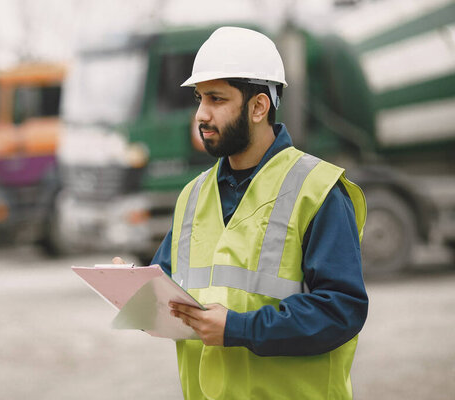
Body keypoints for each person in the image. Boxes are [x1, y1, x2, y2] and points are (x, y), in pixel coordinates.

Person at [115, 26, 367, 400]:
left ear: (258, 107)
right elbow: (172, 301)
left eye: (216, 99)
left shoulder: (318, 191)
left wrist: (239, 328)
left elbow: (342, 310)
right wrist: (132, 292)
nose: (201, 115)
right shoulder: (193, 196)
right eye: (199, 99)